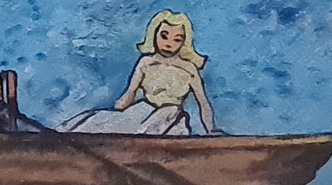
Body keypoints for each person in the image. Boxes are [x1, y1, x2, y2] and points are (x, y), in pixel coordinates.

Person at [61, 10, 216, 136]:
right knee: (101, 123)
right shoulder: (146, 62)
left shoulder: (189, 68)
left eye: (177, 39)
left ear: (184, 42)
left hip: (171, 118)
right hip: (144, 111)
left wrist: (210, 130)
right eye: (164, 36)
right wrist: (115, 113)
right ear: (154, 34)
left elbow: (203, 103)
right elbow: (131, 92)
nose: (169, 43)